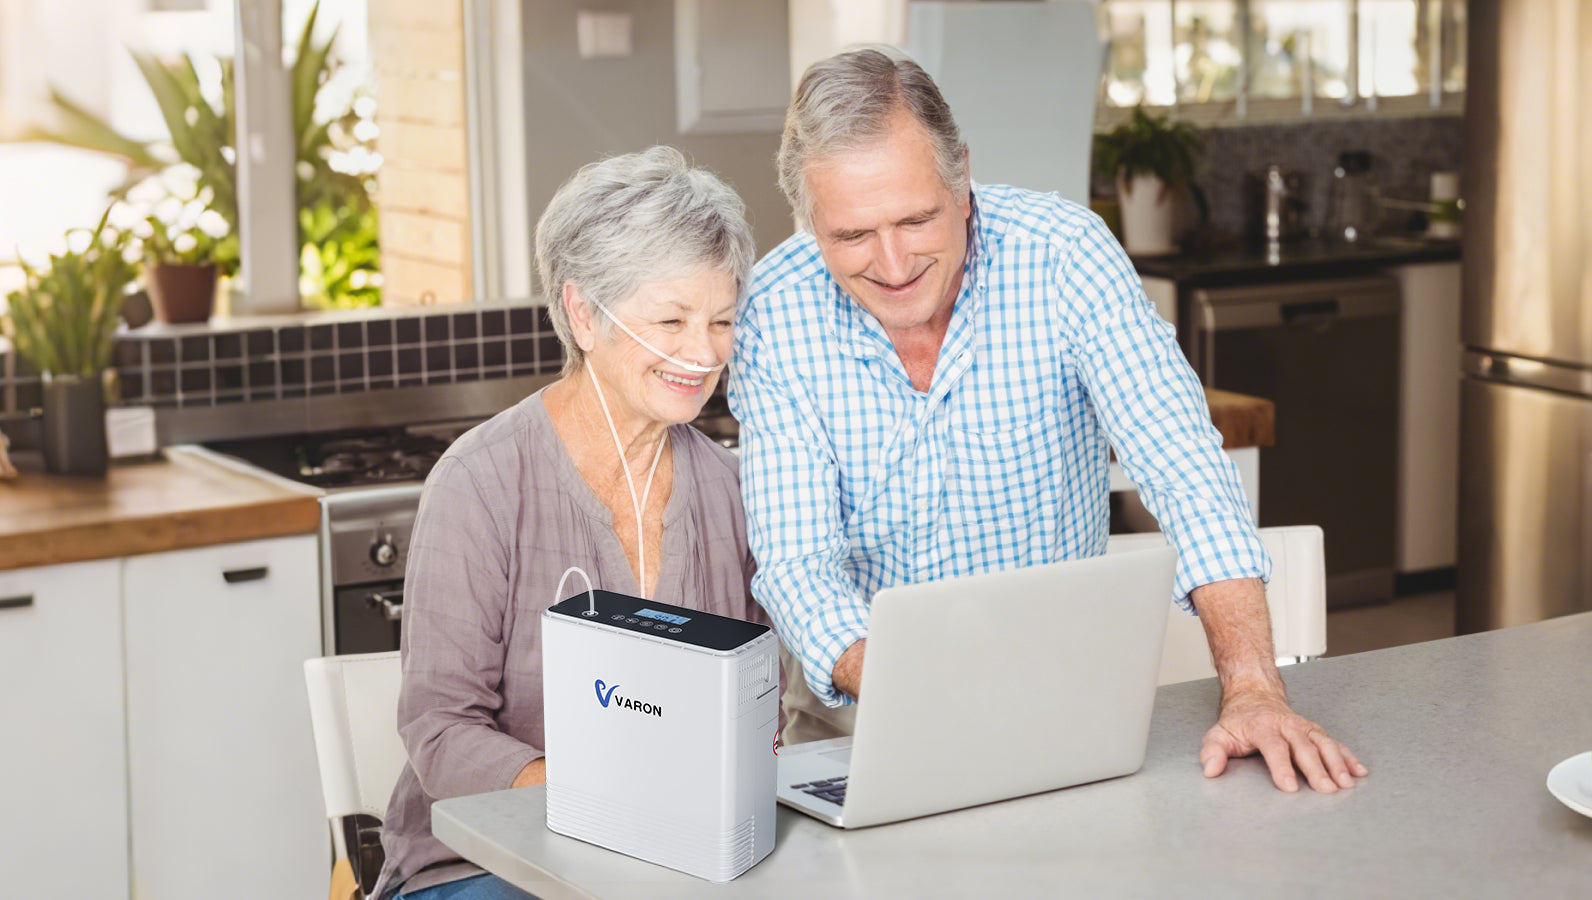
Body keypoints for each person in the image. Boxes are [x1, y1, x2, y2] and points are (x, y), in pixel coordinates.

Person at [728, 49, 1366, 794]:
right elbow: (798, 563)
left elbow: (1184, 469)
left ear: (962, 179)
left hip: (1067, 716)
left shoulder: (1065, 255)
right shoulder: (773, 312)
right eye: (852, 237)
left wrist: (1254, 688)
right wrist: (926, 694)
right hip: (862, 728)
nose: (894, 263)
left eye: (915, 218)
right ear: (809, 222)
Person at [371, 146, 765, 900]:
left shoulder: (729, 486)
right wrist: (604, 804)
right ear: (584, 313)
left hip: (679, 860)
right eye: (672, 319)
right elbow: (440, 728)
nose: (704, 352)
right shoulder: (482, 481)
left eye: (721, 320)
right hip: (488, 861)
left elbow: (754, 704)